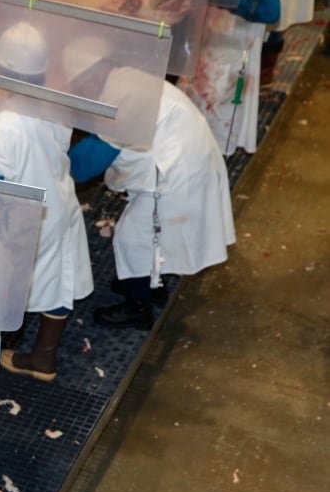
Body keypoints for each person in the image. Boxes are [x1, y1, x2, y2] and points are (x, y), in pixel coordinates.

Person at [0, 22, 93, 382]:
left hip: (27, 218)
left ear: (1, 70)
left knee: (6, 287)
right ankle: (43, 359)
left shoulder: (8, 125)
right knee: (58, 280)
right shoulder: (54, 100)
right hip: (59, 202)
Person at [68, 77, 235, 329]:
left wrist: (51, 162)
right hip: (189, 156)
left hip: (177, 173)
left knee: (133, 238)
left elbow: (82, 165)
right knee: (156, 235)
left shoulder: (119, 109)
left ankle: (138, 308)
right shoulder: (129, 82)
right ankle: (151, 283)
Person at [177, 0, 280, 155]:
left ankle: (219, 162)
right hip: (207, 47)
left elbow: (271, 12)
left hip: (235, 54)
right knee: (195, 105)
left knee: (224, 113)